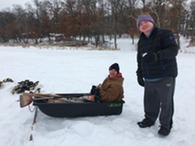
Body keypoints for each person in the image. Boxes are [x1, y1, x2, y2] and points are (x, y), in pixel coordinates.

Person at [136, 14, 178, 136]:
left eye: (145, 22)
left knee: (166, 102)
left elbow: (172, 50)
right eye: (140, 24)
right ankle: (149, 119)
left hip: (165, 75)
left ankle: (165, 125)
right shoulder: (141, 40)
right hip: (149, 76)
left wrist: (156, 56)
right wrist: (139, 74)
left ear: (152, 22)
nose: (143, 24)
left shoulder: (164, 33)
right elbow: (140, 59)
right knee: (150, 100)